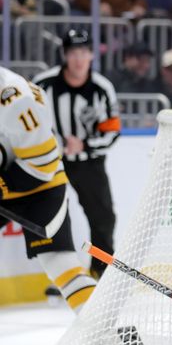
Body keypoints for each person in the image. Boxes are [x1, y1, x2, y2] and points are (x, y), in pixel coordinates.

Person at [0, 66, 97, 310]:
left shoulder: (15, 99)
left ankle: (107, 331)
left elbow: (41, 166)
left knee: (60, 264)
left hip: (40, 185)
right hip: (10, 174)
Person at [33, 29, 121, 278]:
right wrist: (55, 143)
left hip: (89, 163)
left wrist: (84, 145)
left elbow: (112, 132)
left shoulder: (102, 88)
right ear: (65, 55)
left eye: (83, 52)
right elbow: (27, 123)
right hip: (51, 162)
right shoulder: (42, 85)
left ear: (92, 55)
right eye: (73, 53)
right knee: (51, 215)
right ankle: (59, 273)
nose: (79, 59)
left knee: (103, 216)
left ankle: (100, 271)